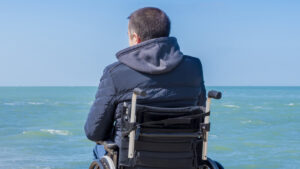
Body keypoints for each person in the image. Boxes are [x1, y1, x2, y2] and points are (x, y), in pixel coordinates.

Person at [84, 7, 206, 161]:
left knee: (99, 148)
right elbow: (199, 114)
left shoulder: (114, 73)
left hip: (131, 160)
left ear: (136, 38)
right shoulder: (194, 67)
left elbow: (93, 132)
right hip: (183, 158)